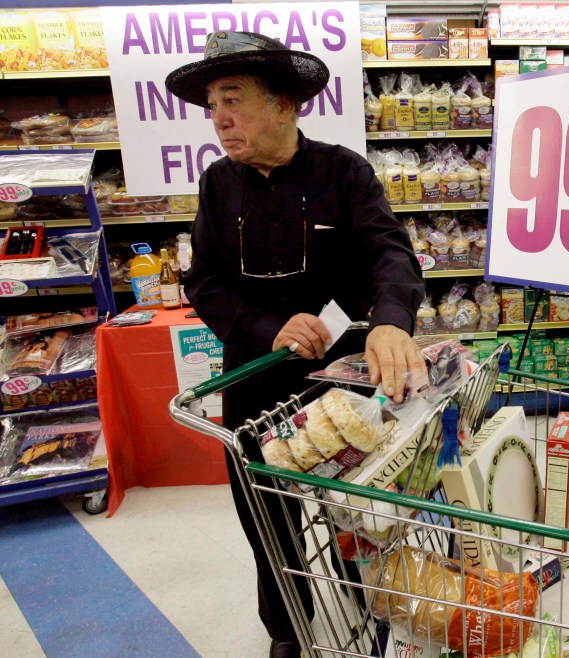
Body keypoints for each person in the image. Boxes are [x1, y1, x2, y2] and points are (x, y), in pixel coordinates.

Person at [165, 31, 426, 658]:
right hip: (255, 373)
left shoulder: (344, 171)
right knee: (266, 517)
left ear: (285, 105)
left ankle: (373, 602)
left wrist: (391, 318)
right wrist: (265, 327)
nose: (218, 118)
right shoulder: (217, 184)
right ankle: (286, 628)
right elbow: (203, 281)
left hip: (345, 373)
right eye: (211, 105)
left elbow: (390, 251)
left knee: (359, 505)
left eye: (232, 99)